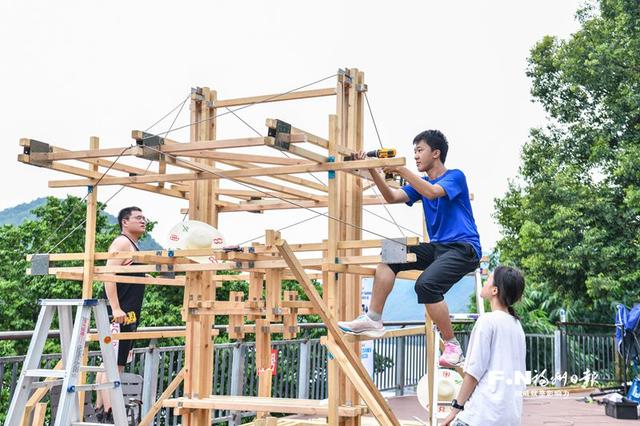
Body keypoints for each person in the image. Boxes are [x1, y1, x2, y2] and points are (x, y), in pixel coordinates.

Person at [338, 130, 481, 367]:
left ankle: (453, 345)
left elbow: (433, 193)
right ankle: (373, 319)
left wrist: (400, 169)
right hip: (438, 247)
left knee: (426, 285)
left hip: (464, 248)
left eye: (419, 150)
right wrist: (374, 168)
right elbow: (392, 196)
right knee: (391, 251)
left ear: (436, 153)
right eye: (414, 151)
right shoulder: (422, 183)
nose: (415, 156)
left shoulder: (455, 176)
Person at [443, 266, 526, 426]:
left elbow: (473, 373)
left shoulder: (487, 321)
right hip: (510, 416)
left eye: (488, 279)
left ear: (495, 290)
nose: (485, 282)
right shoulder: (517, 326)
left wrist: (455, 409)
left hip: (483, 415)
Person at [95, 206, 147, 422]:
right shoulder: (122, 242)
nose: (143, 221)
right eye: (138, 218)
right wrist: (115, 308)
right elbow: (109, 274)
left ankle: (101, 407)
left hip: (128, 313)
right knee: (113, 363)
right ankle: (109, 411)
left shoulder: (134, 244)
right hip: (119, 313)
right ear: (125, 222)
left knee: (113, 360)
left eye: (144, 217)